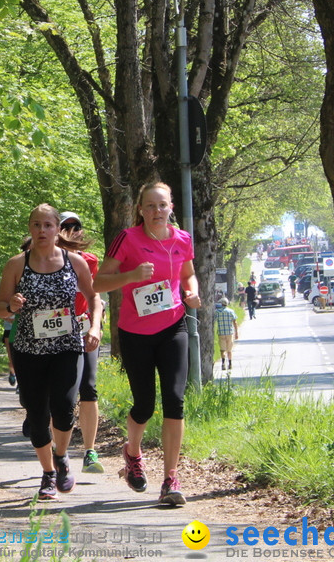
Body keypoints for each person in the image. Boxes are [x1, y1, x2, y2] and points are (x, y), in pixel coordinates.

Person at [93, 182, 200, 507]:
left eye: (162, 205)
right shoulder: (128, 239)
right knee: (144, 404)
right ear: (140, 209)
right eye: (150, 206)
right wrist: (131, 276)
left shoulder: (182, 239)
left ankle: (170, 478)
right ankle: (133, 453)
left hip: (173, 326)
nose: (157, 211)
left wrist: (191, 291)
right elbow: (98, 282)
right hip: (136, 332)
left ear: (171, 208)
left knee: (175, 400)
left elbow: (187, 274)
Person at [0, 204, 101, 501]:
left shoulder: (74, 262)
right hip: (29, 349)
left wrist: (94, 329)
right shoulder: (17, 264)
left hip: (67, 345)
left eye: (48, 225)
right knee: (38, 415)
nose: (42, 231)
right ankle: (47, 473)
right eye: (36, 225)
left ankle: (61, 455)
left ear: (58, 229)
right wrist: (11, 307)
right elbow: (1, 307)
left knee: (65, 408)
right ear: (30, 228)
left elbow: (94, 299)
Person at [57, 211, 106, 474]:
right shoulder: (42, 260)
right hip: (52, 330)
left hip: (82, 326)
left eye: (76, 226)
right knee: (59, 392)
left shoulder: (90, 260)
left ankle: (89, 451)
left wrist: (96, 323)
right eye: (65, 226)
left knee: (88, 387)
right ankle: (56, 448)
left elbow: (93, 294)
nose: (71, 231)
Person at [214, 297, 238, 371]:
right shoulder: (231, 311)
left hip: (221, 333)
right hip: (229, 332)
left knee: (222, 349)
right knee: (229, 349)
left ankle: (223, 363)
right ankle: (230, 363)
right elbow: (235, 322)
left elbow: (214, 322)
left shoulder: (217, 312)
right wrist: (236, 332)